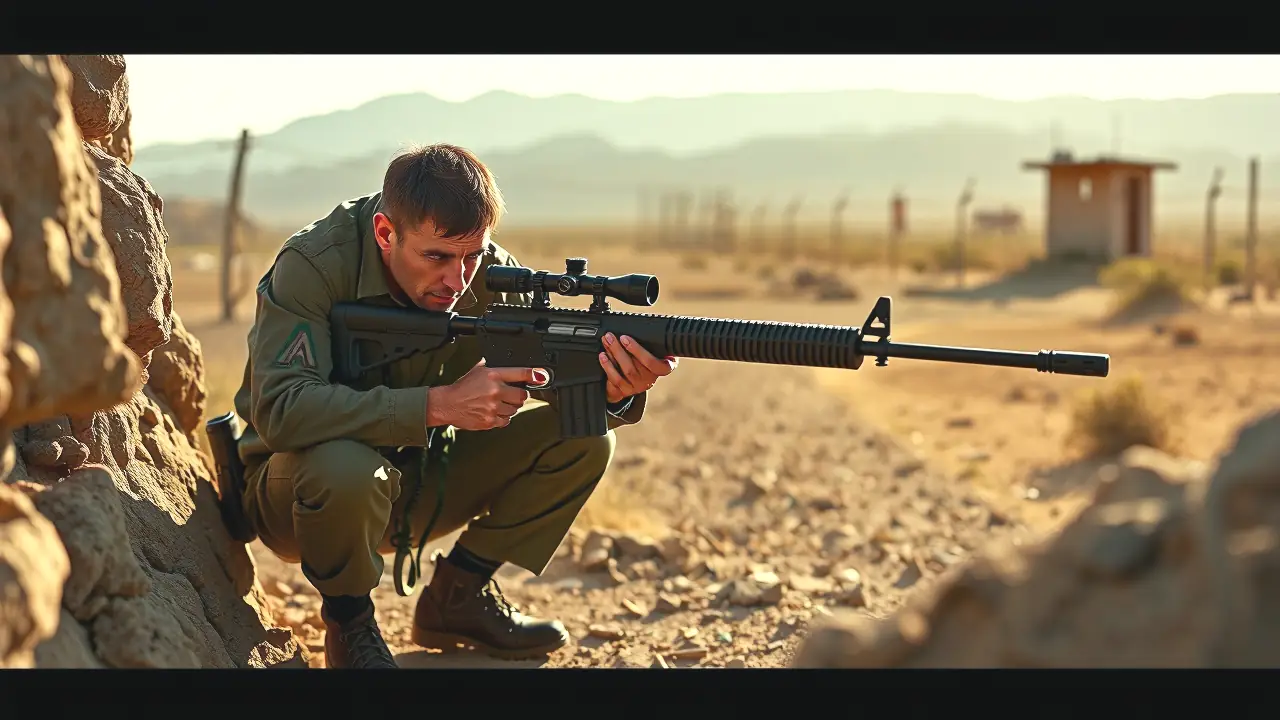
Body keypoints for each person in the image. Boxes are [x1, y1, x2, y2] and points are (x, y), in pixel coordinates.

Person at [231, 143, 678, 669]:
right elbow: (283, 409)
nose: (458, 279)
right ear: (384, 233)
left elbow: (552, 381)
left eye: (472, 255)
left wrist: (615, 387)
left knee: (587, 436)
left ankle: (458, 597)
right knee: (345, 467)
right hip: (300, 502)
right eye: (436, 257)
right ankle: (349, 624)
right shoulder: (315, 265)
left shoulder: (495, 278)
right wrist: (438, 406)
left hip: (422, 486)